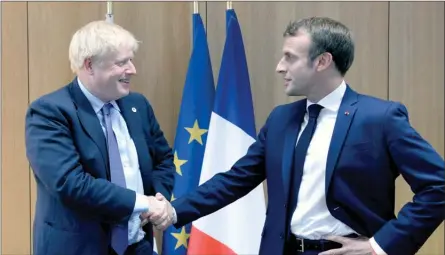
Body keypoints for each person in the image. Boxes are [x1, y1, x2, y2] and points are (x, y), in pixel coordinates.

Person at [143, 17, 445, 255]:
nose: (279, 67)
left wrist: (381, 246)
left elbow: (438, 187)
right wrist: (173, 209)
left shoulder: (380, 118)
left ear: (322, 61)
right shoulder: (280, 120)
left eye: (290, 57)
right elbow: (235, 180)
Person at [25, 20, 174, 255]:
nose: (132, 69)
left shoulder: (138, 106)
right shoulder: (49, 112)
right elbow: (70, 183)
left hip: (137, 244)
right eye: (122, 62)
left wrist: (158, 200)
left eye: (131, 60)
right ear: (90, 65)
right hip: (79, 247)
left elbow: (164, 159)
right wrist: (142, 202)